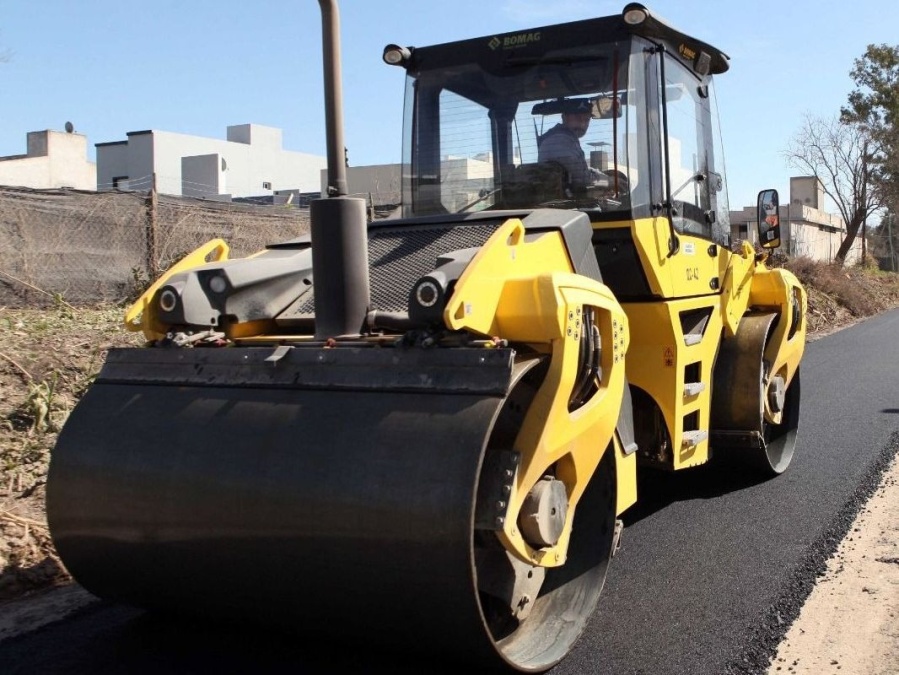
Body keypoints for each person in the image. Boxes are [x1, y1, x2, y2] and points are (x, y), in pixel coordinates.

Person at [537, 100, 605, 191]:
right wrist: (610, 182)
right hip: (555, 203)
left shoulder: (566, 139)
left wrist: (598, 173)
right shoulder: (559, 140)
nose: (582, 124)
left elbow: (575, 168)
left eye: (586, 119)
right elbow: (583, 180)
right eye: (577, 118)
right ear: (564, 117)